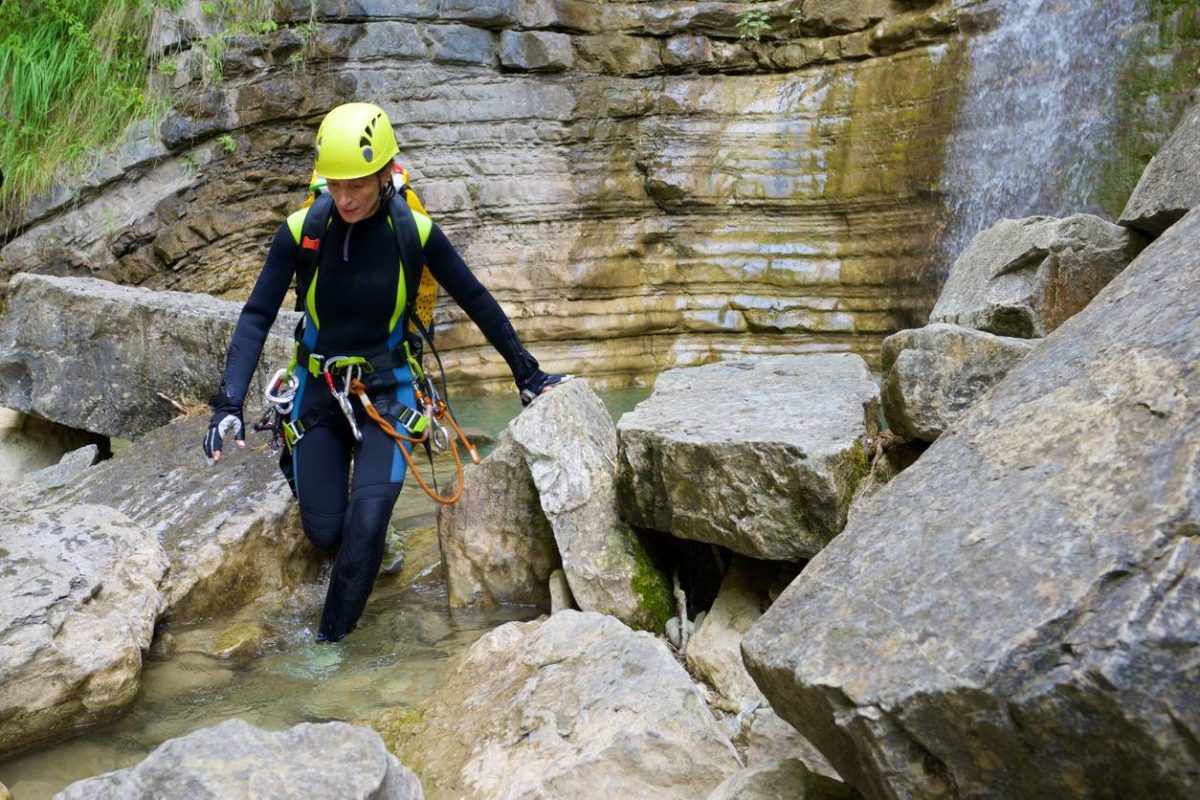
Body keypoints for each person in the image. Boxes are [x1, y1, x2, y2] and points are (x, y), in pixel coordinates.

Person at [203, 102, 568, 642]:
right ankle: (325, 481)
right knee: (325, 532)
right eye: (335, 185)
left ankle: (326, 657)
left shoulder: (413, 232)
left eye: (357, 184)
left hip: (390, 389)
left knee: (366, 527)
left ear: (383, 173)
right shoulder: (302, 230)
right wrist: (228, 404)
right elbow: (256, 314)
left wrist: (528, 374)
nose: (345, 198)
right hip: (319, 391)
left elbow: (476, 299)